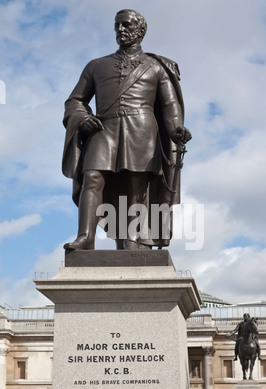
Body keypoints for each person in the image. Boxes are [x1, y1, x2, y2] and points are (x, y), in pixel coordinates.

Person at [62, 9, 191, 251]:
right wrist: (81, 118)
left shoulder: (157, 67)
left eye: (126, 25)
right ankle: (85, 238)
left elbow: (170, 105)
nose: (121, 29)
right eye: (117, 25)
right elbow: (74, 101)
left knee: (136, 184)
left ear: (140, 31)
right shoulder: (96, 66)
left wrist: (176, 129)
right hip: (104, 129)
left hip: (141, 130)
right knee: (92, 177)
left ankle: (133, 239)